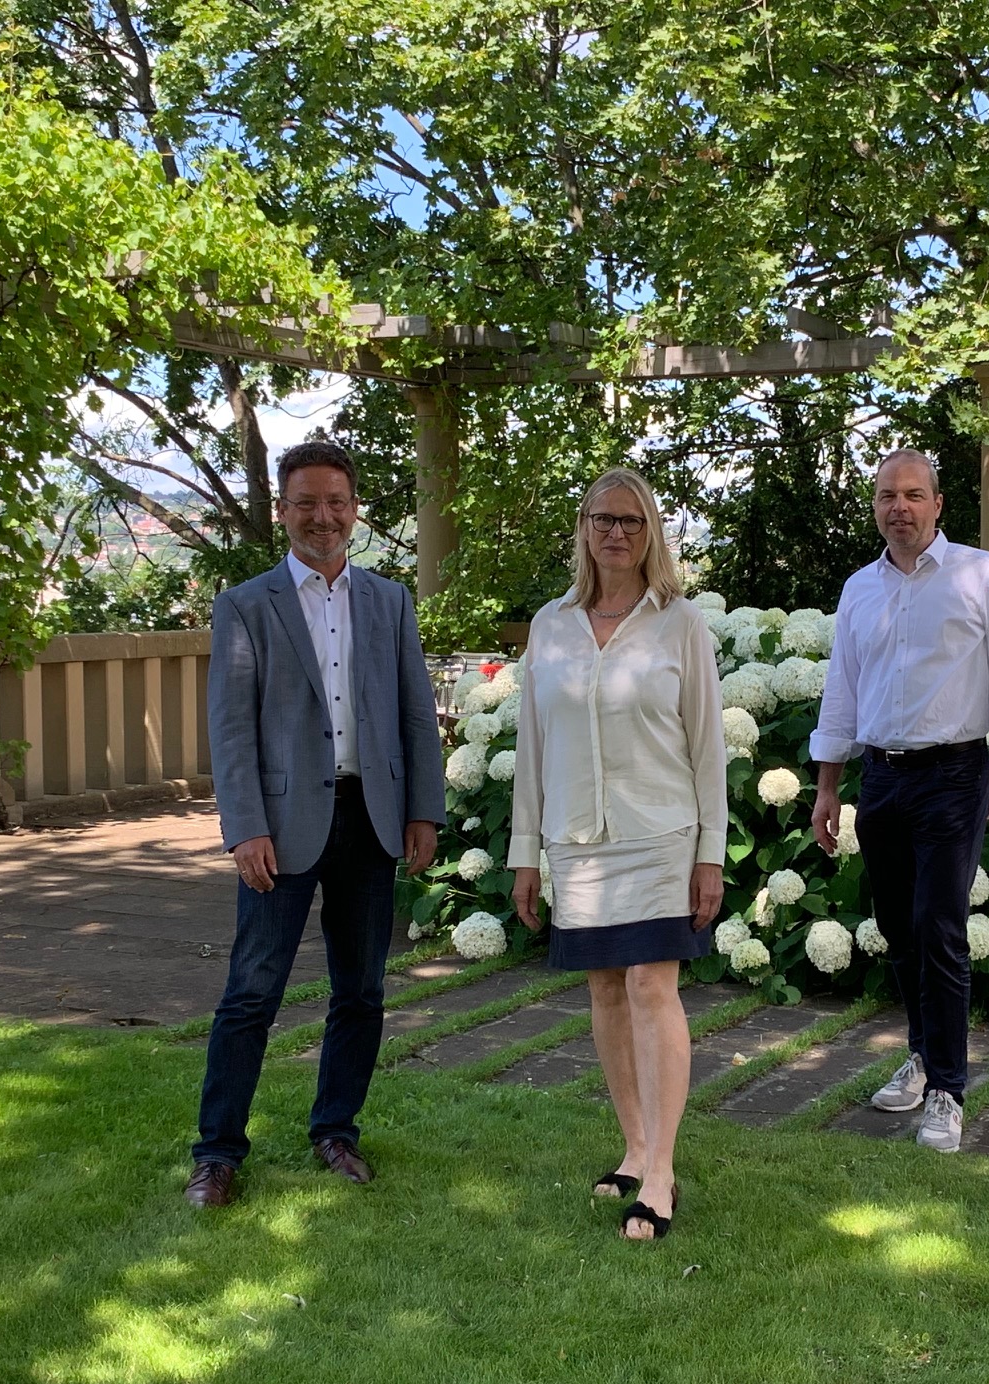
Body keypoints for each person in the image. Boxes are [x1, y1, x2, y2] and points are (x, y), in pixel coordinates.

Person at [184, 440, 445, 1209]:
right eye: (307, 503)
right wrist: (243, 828)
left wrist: (424, 810)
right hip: (281, 826)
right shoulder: (244, 605)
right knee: (250, 994)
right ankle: (218, 1153)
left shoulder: (389, 601)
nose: (323, 517)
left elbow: (413, 715)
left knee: (360, 990)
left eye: (336, 502)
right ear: (284, 510)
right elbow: (229, 730)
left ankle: (337, 1129)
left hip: (371, 819)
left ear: (355, 509)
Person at [508, 467, 727, 1241]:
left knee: (650, 987)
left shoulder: (680, 623)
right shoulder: (551, 625)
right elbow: (533, 745)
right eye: (604, 519)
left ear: (651, 532)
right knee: (604, 988)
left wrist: (712, 852)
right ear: (584, 527)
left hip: (662, 836)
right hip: (576, 839)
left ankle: (661, 1171)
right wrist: (523, 853)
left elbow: (709, 748)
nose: (616, 533)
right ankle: (634, 1145)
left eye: (632, 521)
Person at [809, 448, 989, 1154]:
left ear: (938, 504)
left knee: (939, 928)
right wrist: (826, 785)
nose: (899, 507)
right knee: (897, 928)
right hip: (879, 779)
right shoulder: (860, 589)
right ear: (875, 505)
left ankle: (948, 1089)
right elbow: (842, 690)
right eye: (886, 496)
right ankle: (920, 1055)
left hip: (953, 774)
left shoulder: (981, 574)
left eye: (913, 495)